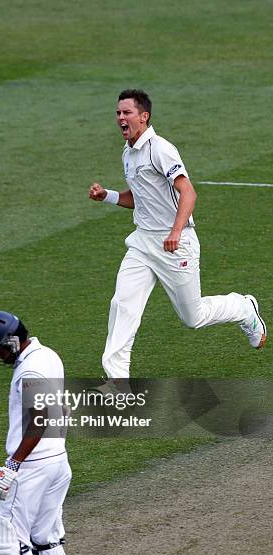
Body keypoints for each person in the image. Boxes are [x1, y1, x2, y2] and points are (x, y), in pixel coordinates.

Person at [89, 89, 267, 381]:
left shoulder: (160, 149)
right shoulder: (128, 152)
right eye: (118, 113)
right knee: (123, 305)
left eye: (127, 113)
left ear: (143, 117)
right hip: (143, 243)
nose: (120, 118)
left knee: (192, 317)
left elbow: (188, 192)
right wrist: (106, 196)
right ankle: (117, 382)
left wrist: (175, 232)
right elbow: (141, 198)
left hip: (176, 244)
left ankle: (243, 307)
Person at [0, 310, 71, 555]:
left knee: (11, 543)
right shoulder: (49, 356)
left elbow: (39, 419)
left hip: (33, 467)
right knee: (46, 538)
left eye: (0, 350)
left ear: (13, 342)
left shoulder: (30, 370)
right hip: (57, 460)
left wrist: (13, 464)